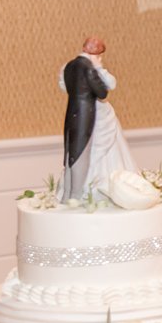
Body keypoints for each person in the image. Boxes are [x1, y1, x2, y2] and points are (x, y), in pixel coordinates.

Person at [59, 37, 135, 202]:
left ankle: (67, 193)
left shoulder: (68, 66)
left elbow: (63, 86)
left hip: (72, 112)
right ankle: (77, 196)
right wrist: (99, 68)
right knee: (84, 153)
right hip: (88, 114)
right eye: (100, 55)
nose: (100, 59)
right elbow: (103, 92)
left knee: (71, 154)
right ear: (95, 53)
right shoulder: (89, 67)